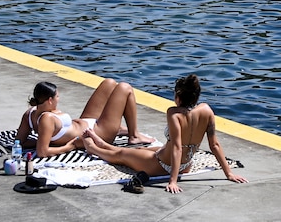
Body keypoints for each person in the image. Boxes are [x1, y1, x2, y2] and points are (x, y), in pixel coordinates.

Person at [81, 74, 249, 193]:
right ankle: (102, 143)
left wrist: (172, 180)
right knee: (141, 151)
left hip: (163, 165)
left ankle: (95, 147)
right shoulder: (207, 110)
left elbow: (177, 147)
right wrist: (229, 173)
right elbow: (215, 145)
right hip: (187, 165)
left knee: (122, 154)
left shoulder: (174, 113)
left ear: (178, 96)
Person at [16, 78, 155, 158]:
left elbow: (19, 142)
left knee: (109, 83)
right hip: (98, 133)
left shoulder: (30, 113)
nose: (59, 99)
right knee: (125, 88)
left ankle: (118, 128)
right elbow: (42, 152)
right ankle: (134, 135)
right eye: (57, 96)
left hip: (86, 122)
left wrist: (46, 140)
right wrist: (68, 146)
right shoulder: (46, 118)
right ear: (50, 100)